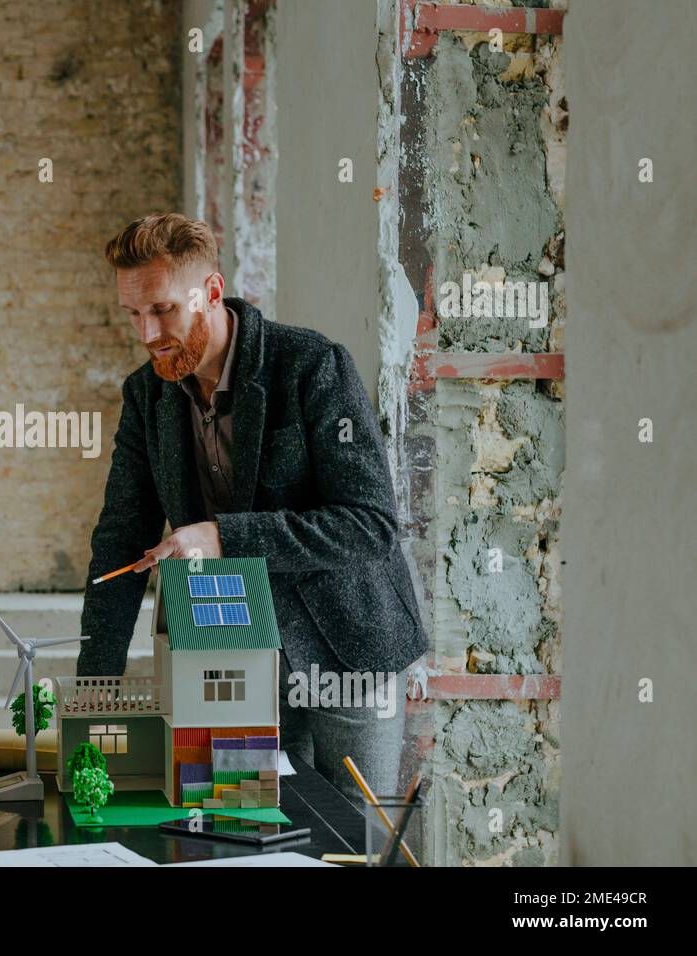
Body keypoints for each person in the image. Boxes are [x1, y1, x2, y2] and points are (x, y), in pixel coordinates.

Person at [77, 213, 427, 805]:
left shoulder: (312, 366)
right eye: (133, 315)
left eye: (163, 310)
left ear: (211, 293)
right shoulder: (146, 395)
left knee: (354, 834)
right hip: (234, 652)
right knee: (246, 826)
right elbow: (119, 541)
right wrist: (95, 692)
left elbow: (369, 525)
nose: (147, 334)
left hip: (349, 648)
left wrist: (223, 537)